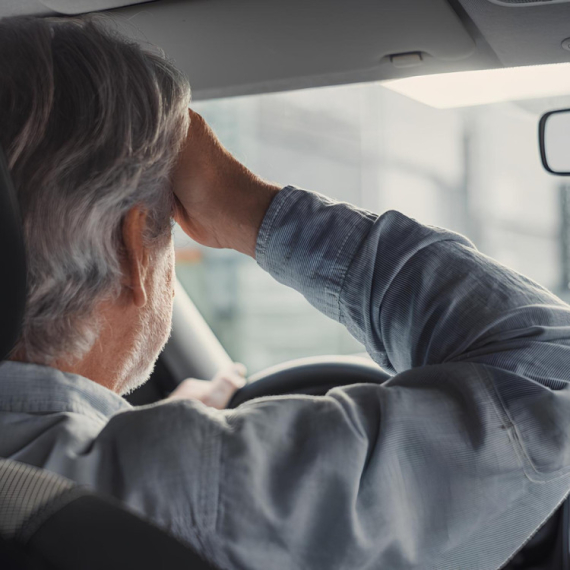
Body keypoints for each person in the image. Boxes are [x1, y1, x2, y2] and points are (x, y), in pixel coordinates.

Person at [1, 15, 570, 570]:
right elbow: (549, 367)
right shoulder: (194, 485)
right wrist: (252, 206)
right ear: (133, 253)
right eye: (167, 227)